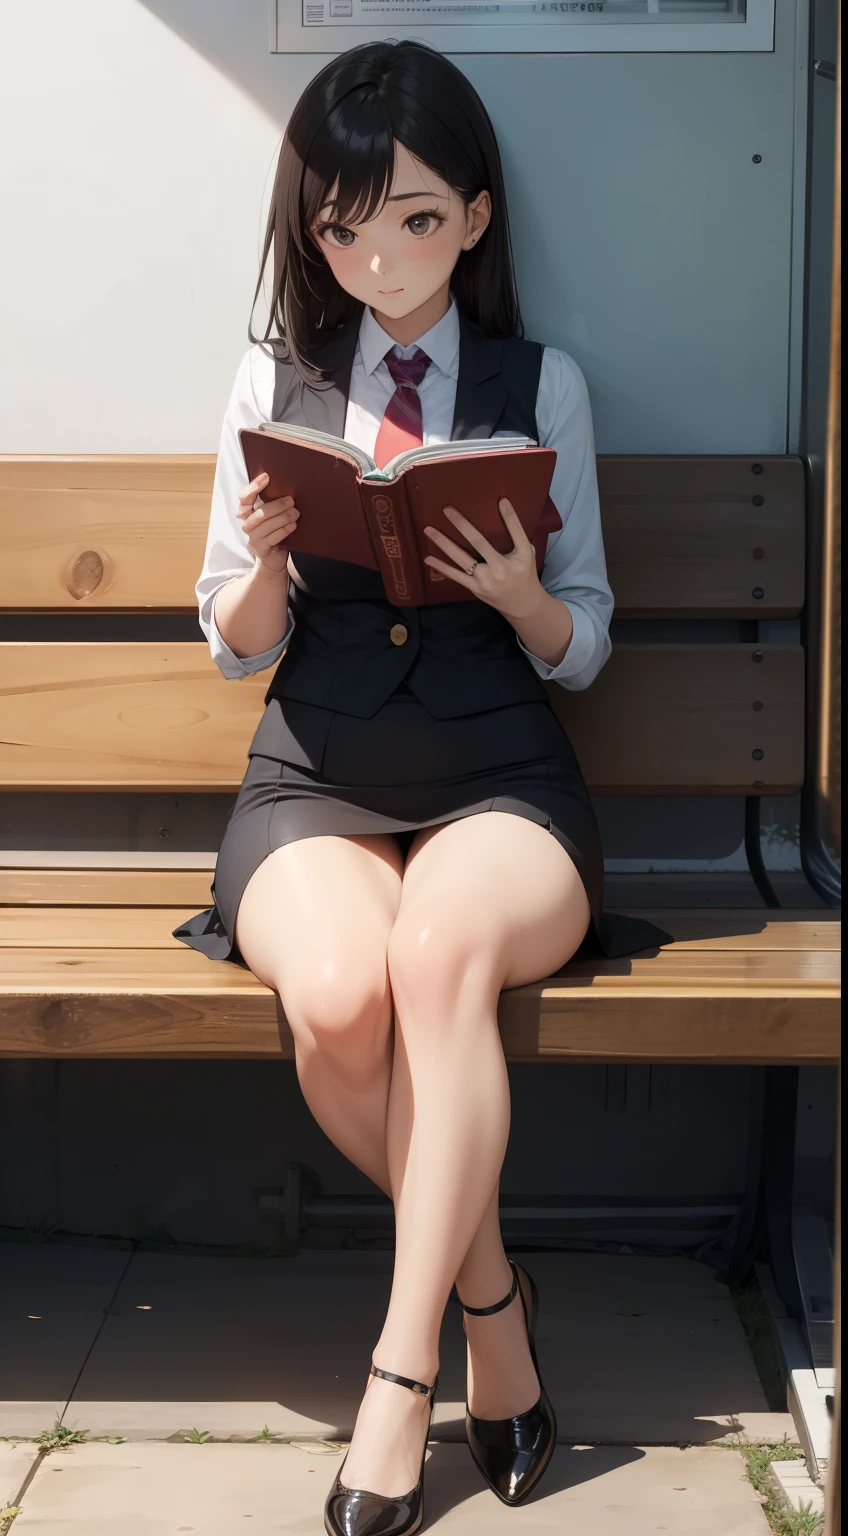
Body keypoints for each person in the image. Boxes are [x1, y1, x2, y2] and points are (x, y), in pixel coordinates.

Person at [173, 38, 671, 1534]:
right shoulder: (274, 378)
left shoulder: (542, 386)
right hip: (314, 771)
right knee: (337, 998)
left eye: (411, 221)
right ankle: (497, 1318)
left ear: (475, 215)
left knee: (437, 956)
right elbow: (229, 644)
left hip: (501, 779)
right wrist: (261, 570)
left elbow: (584, 646)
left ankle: (401, 1382)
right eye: (340, 226)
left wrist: (523, 597)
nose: (375, 256)